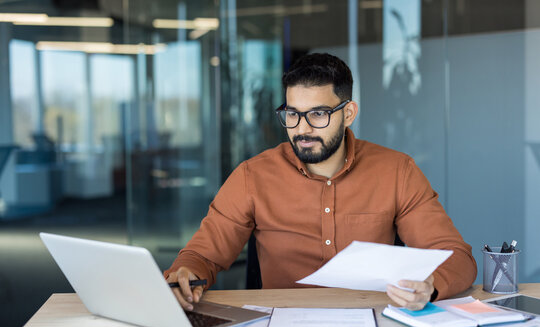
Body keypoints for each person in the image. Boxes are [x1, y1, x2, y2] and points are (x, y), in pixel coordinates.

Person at [164, 53, 477, 311]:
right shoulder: (252, 176)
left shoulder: (397, 171)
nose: (302, 129)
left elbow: (456, 257)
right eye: (292, 114)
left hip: (377, 319)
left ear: (349, 113)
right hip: (281, 323)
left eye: (317, 114)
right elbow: (203, 255)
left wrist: (430, 286)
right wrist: (187, 275)